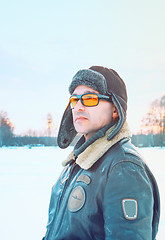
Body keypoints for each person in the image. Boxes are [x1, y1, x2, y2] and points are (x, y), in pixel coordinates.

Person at [43, 66, 160, 240]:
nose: (78, 106)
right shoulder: (78, 162)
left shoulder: (124, 167)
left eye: (89, 98)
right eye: (74, 100)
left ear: (115, 109)